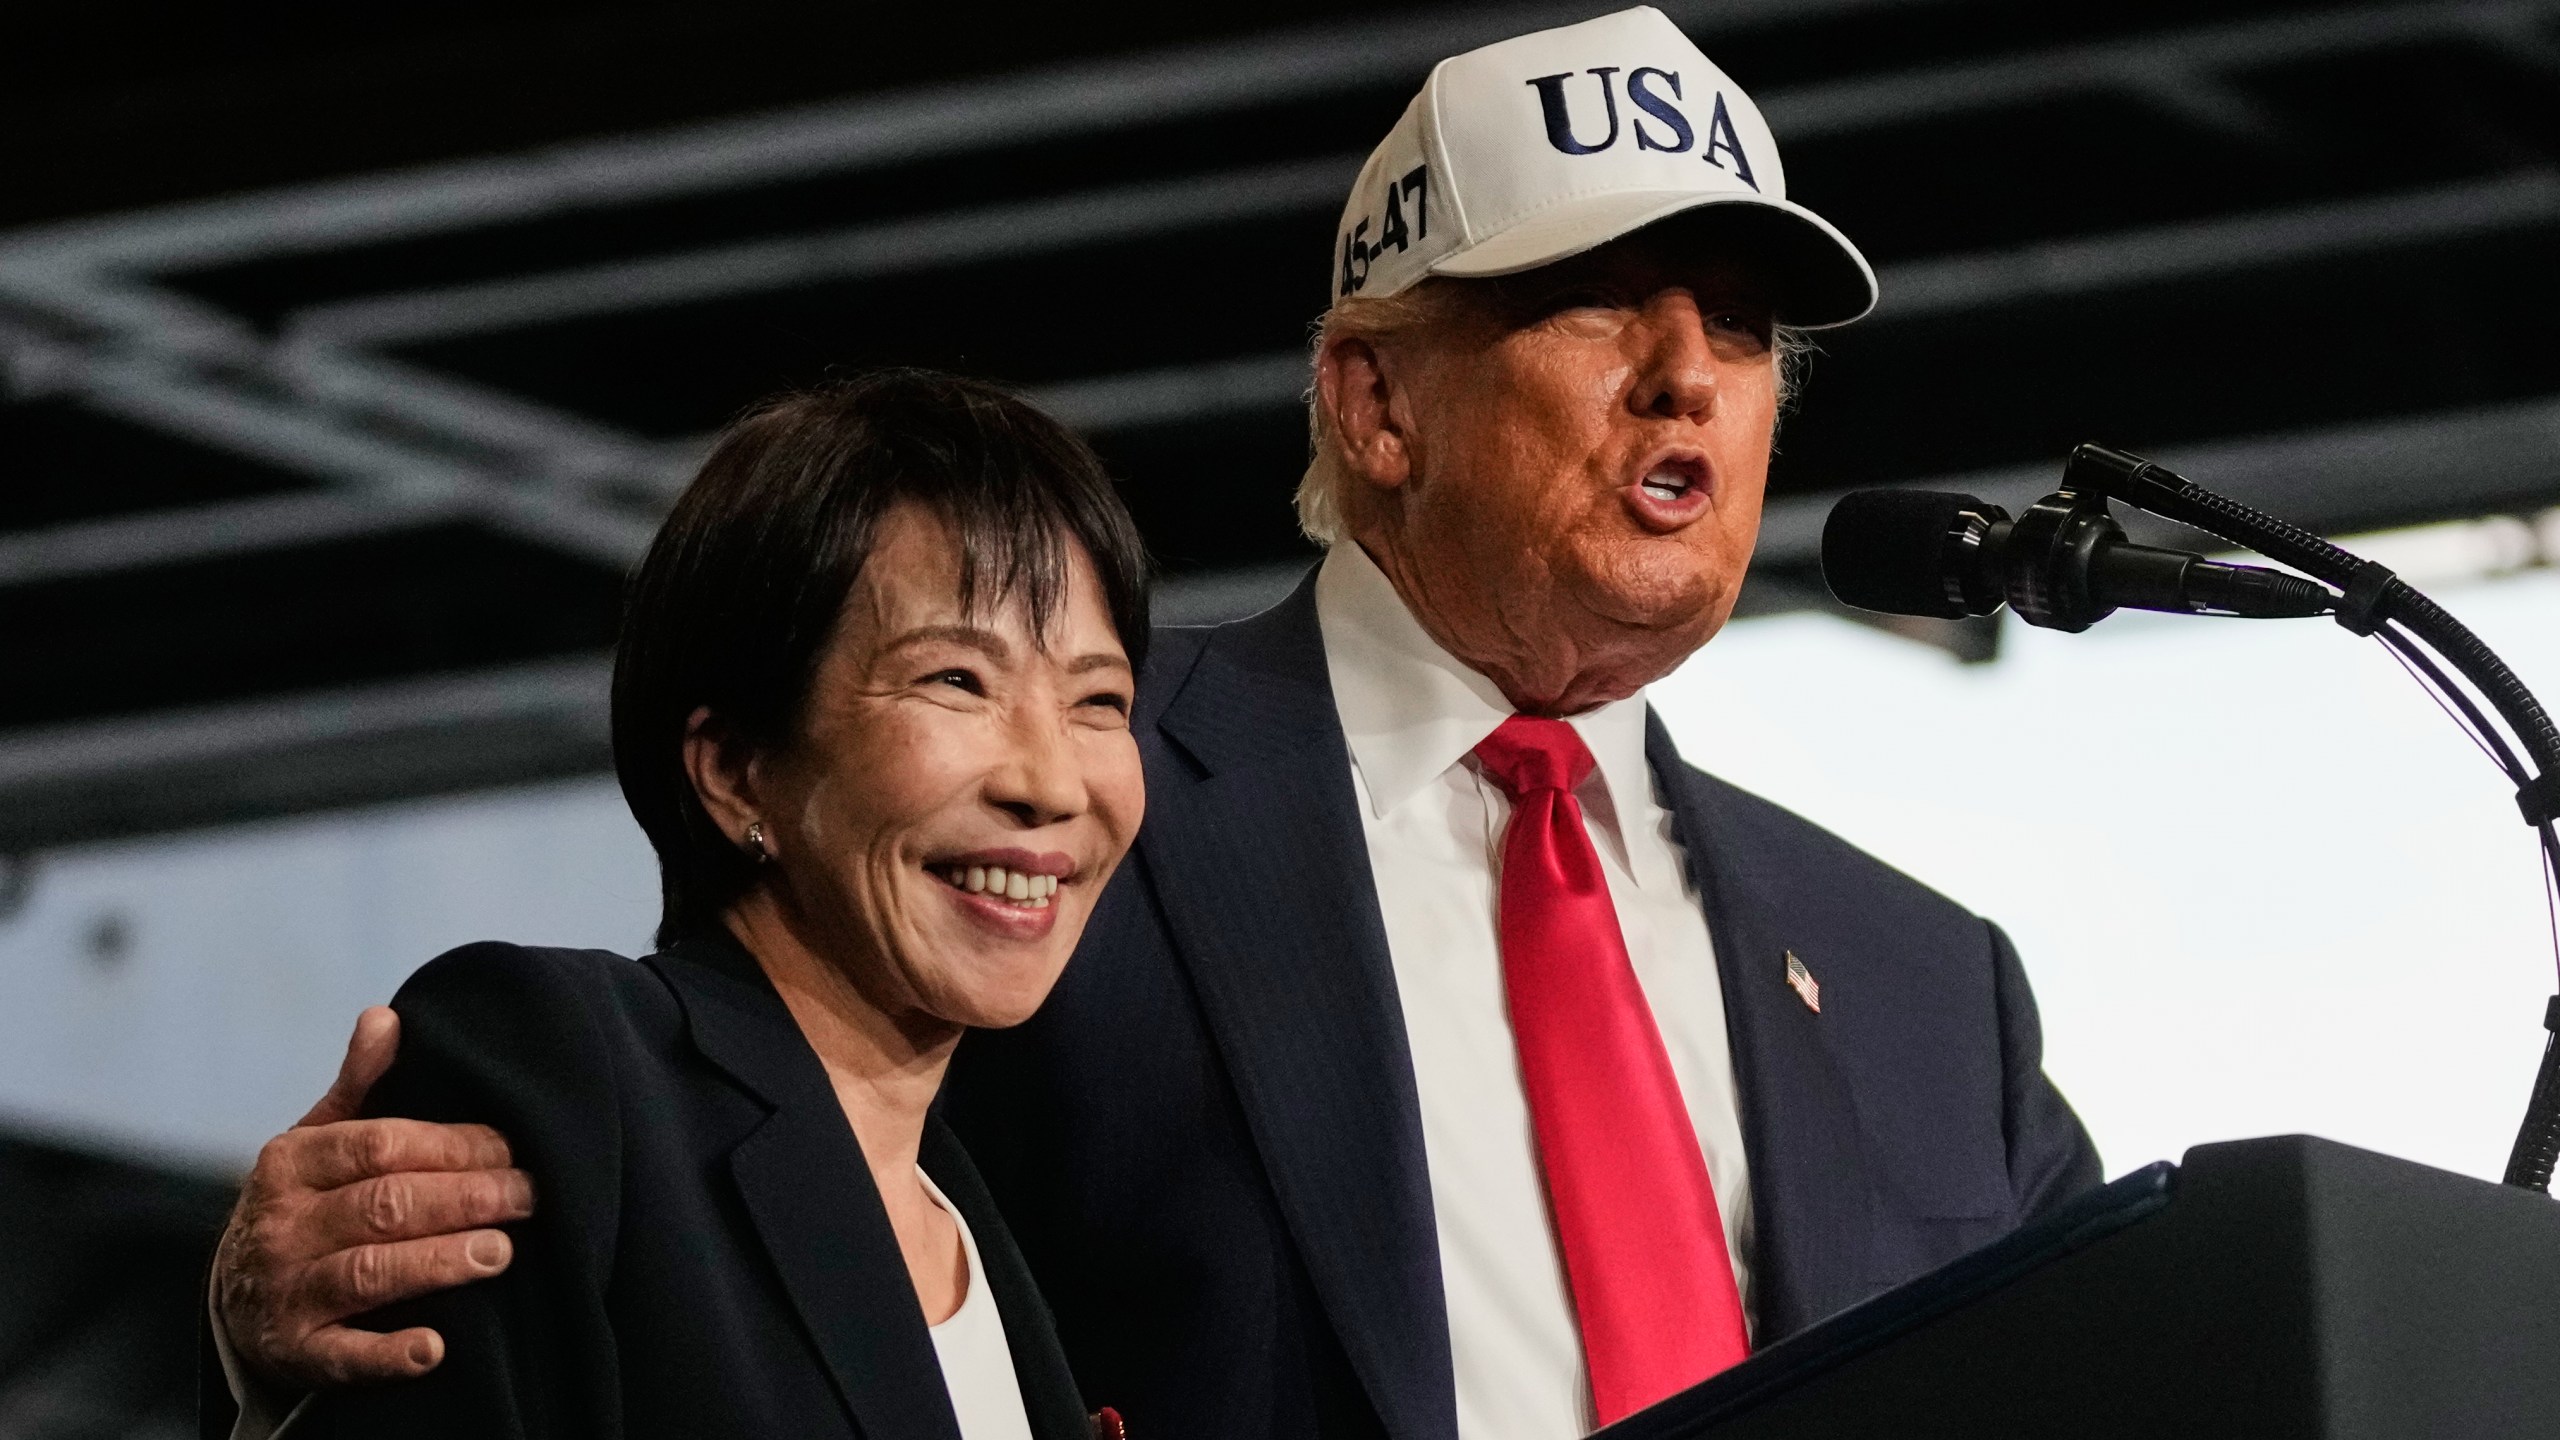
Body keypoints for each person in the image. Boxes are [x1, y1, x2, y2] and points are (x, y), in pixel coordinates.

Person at [207, 10, 2101, 1440]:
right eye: (1599, 300)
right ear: (1372, 404)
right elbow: (708, 1202)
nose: (1690, 369)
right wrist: (310, 1334)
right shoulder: (1058, 828)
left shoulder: (1935, 993)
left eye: (1751, 328)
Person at [212, 369, 1152, 1439]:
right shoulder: (562, 1079)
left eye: (1097, 700)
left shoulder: (995, 1226)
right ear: (738, 770)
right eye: (955, 681)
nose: (1051, 783)